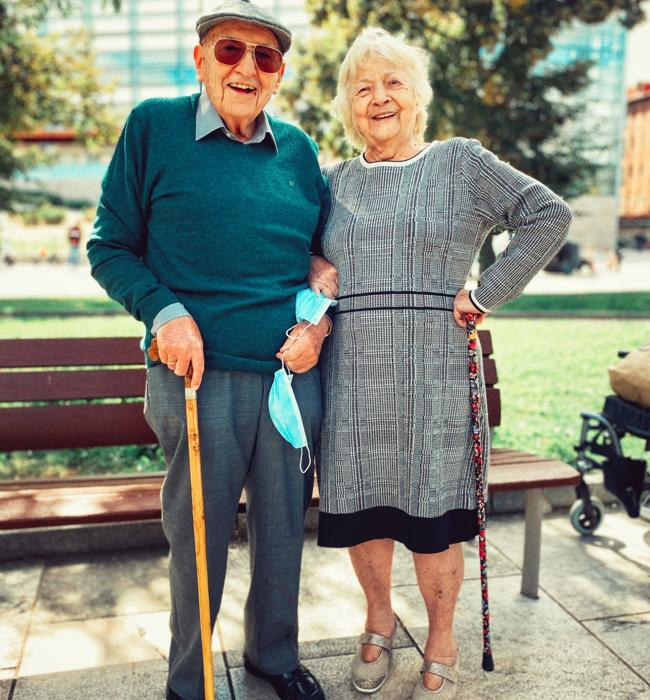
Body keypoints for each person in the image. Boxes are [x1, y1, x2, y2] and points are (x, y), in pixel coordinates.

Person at [312, 28, 572, 700]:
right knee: (363, 512)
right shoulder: (329, 183)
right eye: (363, 87)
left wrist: (486, 292)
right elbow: (285, 252)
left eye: (393, 82)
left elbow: (547, 214)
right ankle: (376, 622)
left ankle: (441, 636)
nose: (379, 98)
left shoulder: (460, 162)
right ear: (347, 105)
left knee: (432, 517)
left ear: (417, 95)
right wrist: (310, 264)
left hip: (434, 375)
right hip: (352, 377)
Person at [87, 2, 330, 699]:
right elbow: (109, 246)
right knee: (198, 537)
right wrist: (166, 313)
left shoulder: (300, 151)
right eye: (230, 51)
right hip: (197, 378)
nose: (247, 68)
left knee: (284, 531)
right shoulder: (154, 128)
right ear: (199, 59)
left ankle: (273, 658)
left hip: (289, 379)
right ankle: (188, 682)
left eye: (266, 57)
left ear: (279, 74)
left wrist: (317, 326)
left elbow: (321, 258)